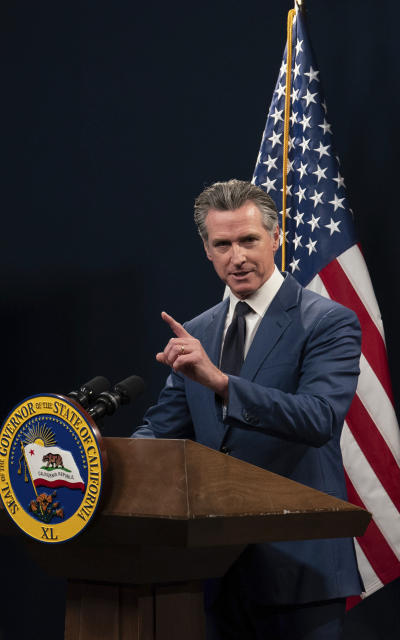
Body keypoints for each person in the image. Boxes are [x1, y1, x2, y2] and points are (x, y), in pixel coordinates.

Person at [132, 179, 363, 639]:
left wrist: (220, 382)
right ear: (206, 249)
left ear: (276, 238)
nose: (236, 256)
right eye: (223, 244)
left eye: (248, 240)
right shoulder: (197, 331)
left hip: (300, 570)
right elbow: (163, 431)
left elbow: (318, 418)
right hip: (215, 569)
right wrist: (103, 458)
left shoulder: (327, 321)